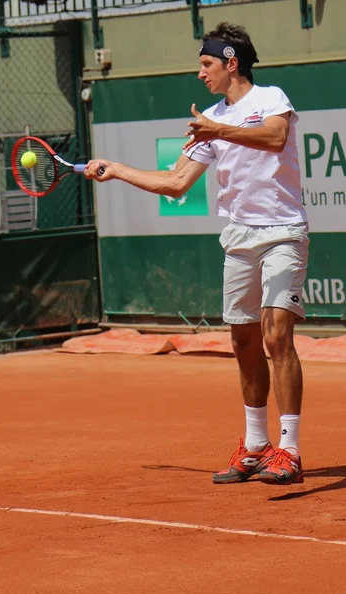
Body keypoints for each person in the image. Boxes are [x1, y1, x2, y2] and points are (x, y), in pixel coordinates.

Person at [84, 22, 309, 486]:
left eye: (206, 64)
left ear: (231, 63)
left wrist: (217, 129)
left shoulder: (271, 98)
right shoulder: (208, 120)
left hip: (283, 232)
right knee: (243, 342)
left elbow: (274, 139)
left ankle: (289, 451)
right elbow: (175, 182)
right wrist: (119, 169)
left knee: (275, 337)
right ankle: (254, 447)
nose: (200, 73)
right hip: (239, 238)